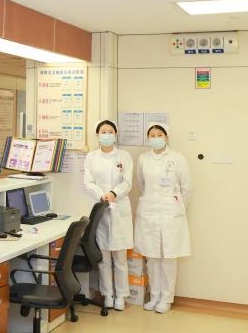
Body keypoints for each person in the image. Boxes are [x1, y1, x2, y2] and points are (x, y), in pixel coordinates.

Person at [134, 123, 193, 313]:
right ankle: (154, 296)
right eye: (152, 135)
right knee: (152, 257)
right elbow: (141, 184)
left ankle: (166, 299)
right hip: (149, 211)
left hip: (170, 213)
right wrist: (152, 201)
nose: (156, 138)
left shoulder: (177, 158)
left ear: (167, 137)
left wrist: (176, 206)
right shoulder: (143, 159)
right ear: (148, 138)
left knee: (168, 257)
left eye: (159, 135)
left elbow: (187, 187)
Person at [82, 120, 134, 310]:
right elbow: (88, 182)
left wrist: (113, 193)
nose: (107, 134)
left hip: (119, 207)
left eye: (110, 131)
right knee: (103, 257)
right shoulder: (91, 157)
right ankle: (107, 295)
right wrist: (102, 195)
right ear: (97, 135)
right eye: (103, 132)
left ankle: (121, 296)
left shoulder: (124, 156)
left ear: (115, 134)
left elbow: (127, 182)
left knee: (120, 258)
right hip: (100, 209)